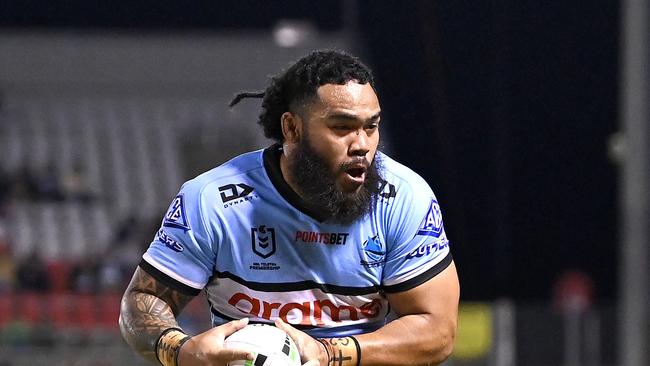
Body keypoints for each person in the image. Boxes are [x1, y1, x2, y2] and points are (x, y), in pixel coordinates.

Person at [119, 50, 459, 366]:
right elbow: (142, 301)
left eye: (371, 126)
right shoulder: (212, 201)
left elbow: (438, 331)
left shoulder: (404, 199)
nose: (362, 145)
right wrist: (179, 350)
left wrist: (329, 354)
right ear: (292, 128)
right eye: (342, 127)